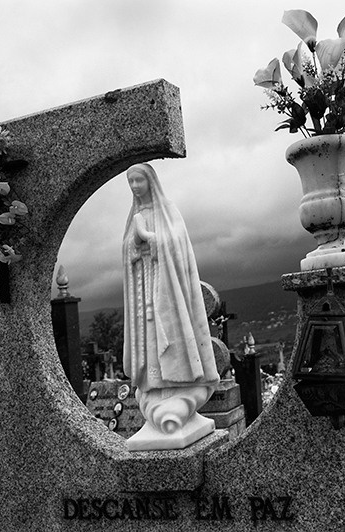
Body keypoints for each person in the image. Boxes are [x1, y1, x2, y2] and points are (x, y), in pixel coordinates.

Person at [122, 163, 219, 450]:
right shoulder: (135, 216)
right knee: (149, 341)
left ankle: (179, 385)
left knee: (168, 339)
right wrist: (134, 242)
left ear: (151, 181)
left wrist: (153, 240)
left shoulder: (168, 211)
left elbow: (177, 244)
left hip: (168, 297)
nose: (135, 186)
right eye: (131, 182)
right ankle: (156, 390)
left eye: (139, 180)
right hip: (144, 291)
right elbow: (127, 251)